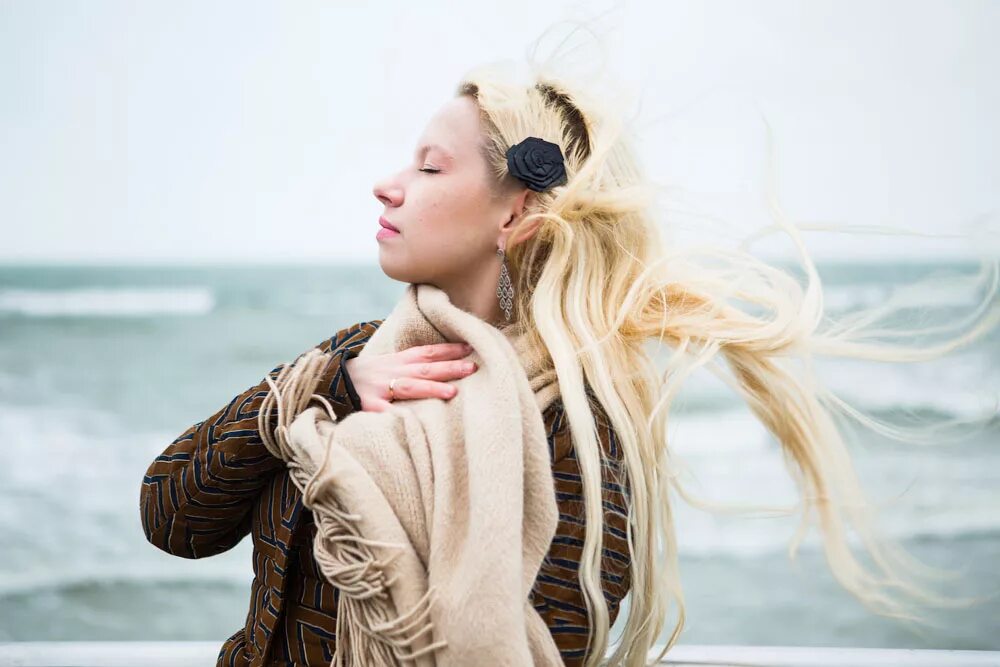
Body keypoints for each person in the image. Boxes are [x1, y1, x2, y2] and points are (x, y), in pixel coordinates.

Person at [141, 55, 1000, 667]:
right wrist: (324, 396)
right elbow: (170, 516)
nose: (388, 184)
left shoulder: (578, 429)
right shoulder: (341, 364)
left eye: (430, 166)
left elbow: (546, 643)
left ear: (514, 216)